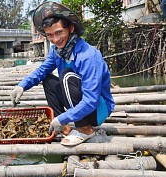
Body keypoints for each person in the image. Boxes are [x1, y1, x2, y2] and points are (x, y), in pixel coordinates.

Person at [11, 2, 115, 146]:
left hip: (98, 109)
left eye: (59, 32)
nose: (55, 39)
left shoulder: (88, 56)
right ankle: (65, 127)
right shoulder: (56, 51)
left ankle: (85, 129)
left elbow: (91, 100)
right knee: (47, 79)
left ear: (71, 28)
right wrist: (22, 86)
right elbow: (42, 70)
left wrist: (64, 117)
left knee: (66, 77)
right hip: (78, 100)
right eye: (50, 35)